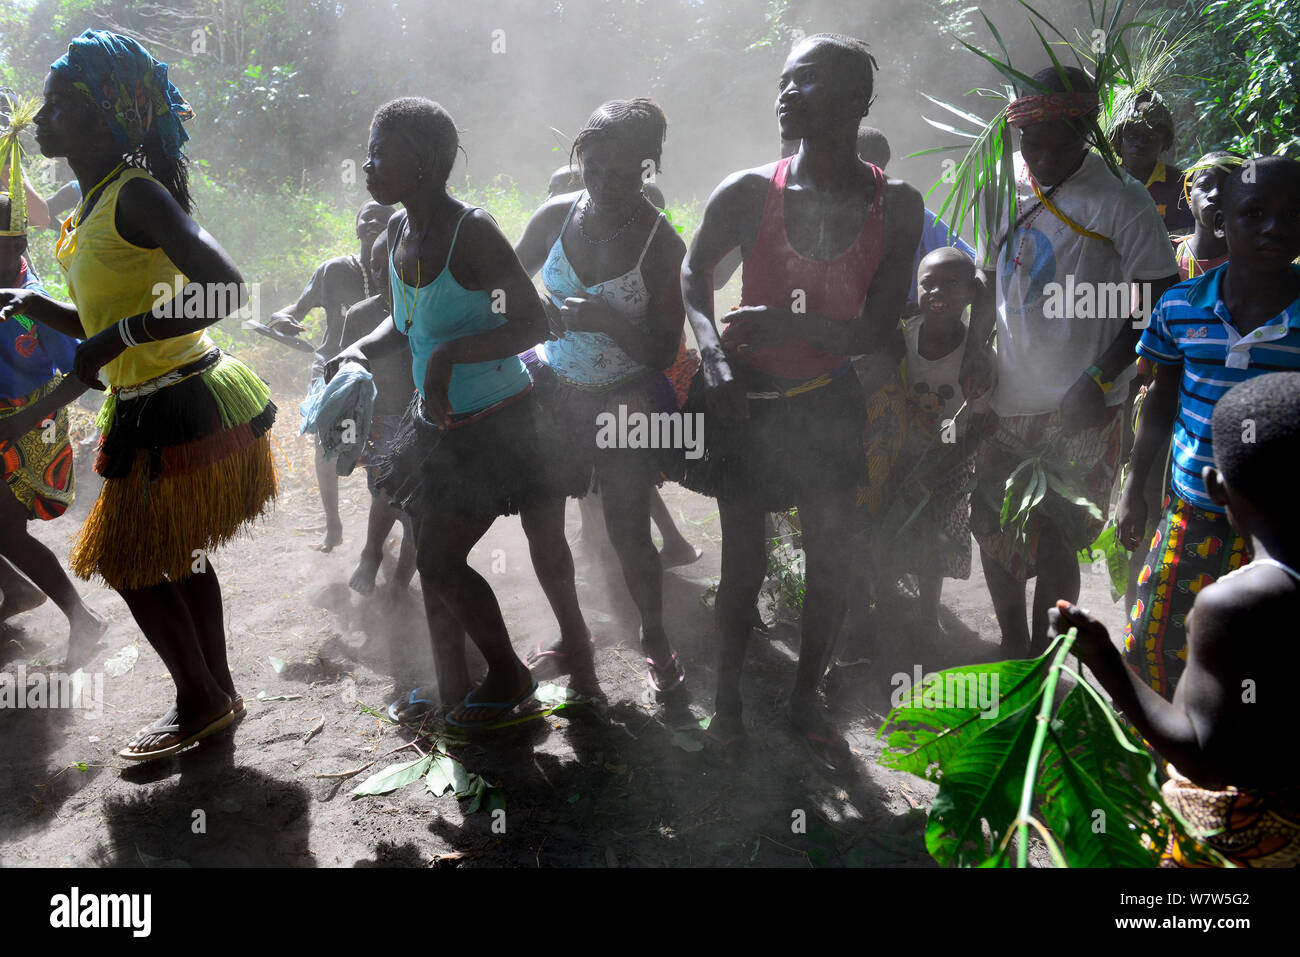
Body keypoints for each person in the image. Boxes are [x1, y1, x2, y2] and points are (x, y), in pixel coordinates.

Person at [4, 30, 277, 760]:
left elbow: (226, 287)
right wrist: (30, 300)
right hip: (156, 396)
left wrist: (120, 334)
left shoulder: (136, 193)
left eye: (59, 104)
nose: (39, 119)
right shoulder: (91, 205)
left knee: (125, 561)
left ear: (101, 117)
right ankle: (215, 692)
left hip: (178, 398)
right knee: (178, 556)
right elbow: (95, 329)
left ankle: (199, 698)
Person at [680, 33, 923, 770]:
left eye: (806, 82)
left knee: (832, 560)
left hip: (826, 401)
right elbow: (694, 280)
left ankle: (804, 698)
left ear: (856, 101)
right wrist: (715, 360)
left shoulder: (898, 205)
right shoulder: (749, 191)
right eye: (783, 82)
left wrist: (790, 325)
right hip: (746, 404)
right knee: (743, 566)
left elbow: (877, 329)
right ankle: (726, 706)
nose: (785, 94)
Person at [329, 97, 590, 727]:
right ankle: (457, 689)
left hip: (507, 422)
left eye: (380, 152)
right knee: (434, 552)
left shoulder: (471, 232)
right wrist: (355, 357)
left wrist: (447, 357)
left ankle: (514, 673)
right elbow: (403, 322)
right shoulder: (397, 233)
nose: (367, 164)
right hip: (438, 425)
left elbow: (532, 321)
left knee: (481, 554)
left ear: (421, 162)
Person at [968, 66, 1180, 657]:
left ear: (1089, 132)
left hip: (1084, 403)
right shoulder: (998, 190)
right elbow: (987, 279)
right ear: (1017, 137)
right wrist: (971, 352)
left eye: (1064, 143)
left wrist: (1101, 375)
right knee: (997, 527)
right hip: (1007, 394)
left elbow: (1158, 296)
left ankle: (1043, 652)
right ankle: (1012, 643)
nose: (1046, 157)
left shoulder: (1121, 197)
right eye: (1033, 144)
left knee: (1060, 535)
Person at [1051, 372, 1300, 867]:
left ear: (1215, 485)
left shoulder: (1233, 606)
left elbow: (1201, 756)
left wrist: (1102, 657)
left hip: (1248, 845)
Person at [515, 98, 690, 691]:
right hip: (555, 390)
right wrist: (535, 308)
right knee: (543, 523)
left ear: (647, 167)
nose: (607, 185)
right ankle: (573, 633)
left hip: (625, 399)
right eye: (594, 170)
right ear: (579, 160)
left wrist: (609, 322)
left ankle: (655, 637)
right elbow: (509, 286)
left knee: (627, 528)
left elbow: (665, 353)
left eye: (624, 173)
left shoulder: (661, 245)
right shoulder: (554, 217)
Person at [1117, 155, 1300, 699]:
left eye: (1292, 215)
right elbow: (1161, 399)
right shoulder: (1178, 308)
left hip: (1281, 526)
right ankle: (1162, 767)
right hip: (1191, 509)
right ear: (1222, 223)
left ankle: (1238, 773)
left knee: (1262, 661)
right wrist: (1133, 486)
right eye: (1256, 213)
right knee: (1155, 644)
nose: (1274, 227)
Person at [541, 158, 700, 568]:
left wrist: (605, 322)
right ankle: (619, 547)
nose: (571, 199)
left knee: (622, 472)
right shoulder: (565, 227)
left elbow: (661, 343)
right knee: (609, 473)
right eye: (557, 193)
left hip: (637, 376)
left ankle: (641, 561)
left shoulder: (649, 238)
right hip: (575, 372)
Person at [0, 187, 105, 661]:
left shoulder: (35, 304)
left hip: (32, 419)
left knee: (5, 530)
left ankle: (82, 616)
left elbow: (87, 373)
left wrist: (23, 420)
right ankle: (22, 593)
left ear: (18, 246)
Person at [270, 199, 394, 551]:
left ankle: (382, 531)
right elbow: (294, 308)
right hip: (331, 368)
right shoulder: (335, 269)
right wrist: (282, 319)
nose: (372, 220)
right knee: (326, 444)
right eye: (365, 216)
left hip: (380, 370)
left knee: (382, 448)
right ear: (355, 227)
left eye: (382, 218)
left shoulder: (402, 268)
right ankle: (333, 525)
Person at [892, 248, 989, 629]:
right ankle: (890, 598)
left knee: (935, 535)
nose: (936, 292)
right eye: (927, 284)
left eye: (950, 284)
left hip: (950, 455)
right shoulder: (904, 336)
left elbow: (976, 424)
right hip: (900, 450)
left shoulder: (977, 356)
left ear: (970, 293)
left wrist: (942, 462)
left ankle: (928, 613)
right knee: (896, 525)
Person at [339, 230, 417, 595]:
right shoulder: (361, 314)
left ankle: (400, 583)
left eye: (392, 266)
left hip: (428, 416)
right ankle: (372, 553)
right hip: (382, 420)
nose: (383, 274)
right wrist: (348, 431)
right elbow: (346, 379)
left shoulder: (426, 307)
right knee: (386, 492)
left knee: (420, 511)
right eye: (375, 267)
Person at [1109, 89, 1194, 233]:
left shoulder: (1181, 185)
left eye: (1151, 136)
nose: (1141, 143)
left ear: (1164, 143)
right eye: (1132, 135)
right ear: (1118, 140)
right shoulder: (1105, 182)